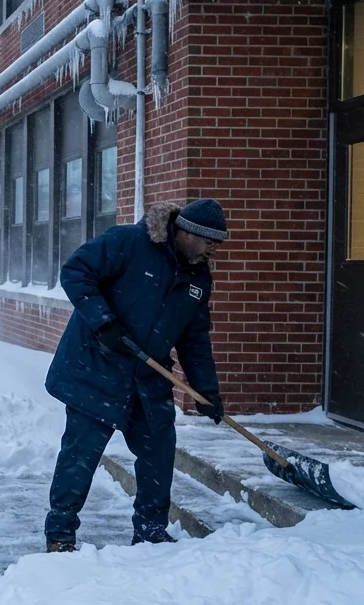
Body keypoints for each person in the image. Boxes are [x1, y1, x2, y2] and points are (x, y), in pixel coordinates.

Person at [43, 199, 228, 552]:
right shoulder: (129, 242)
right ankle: (60, 533)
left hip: (148, 375)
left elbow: (194, 338)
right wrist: (104, 323)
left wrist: (207, 391)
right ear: (187, 233)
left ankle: (150, 531)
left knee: (159, 450)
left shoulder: (198, 276)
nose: (213, 249)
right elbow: (75, 271)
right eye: (209, 241)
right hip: (97, 366)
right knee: (81, 455)